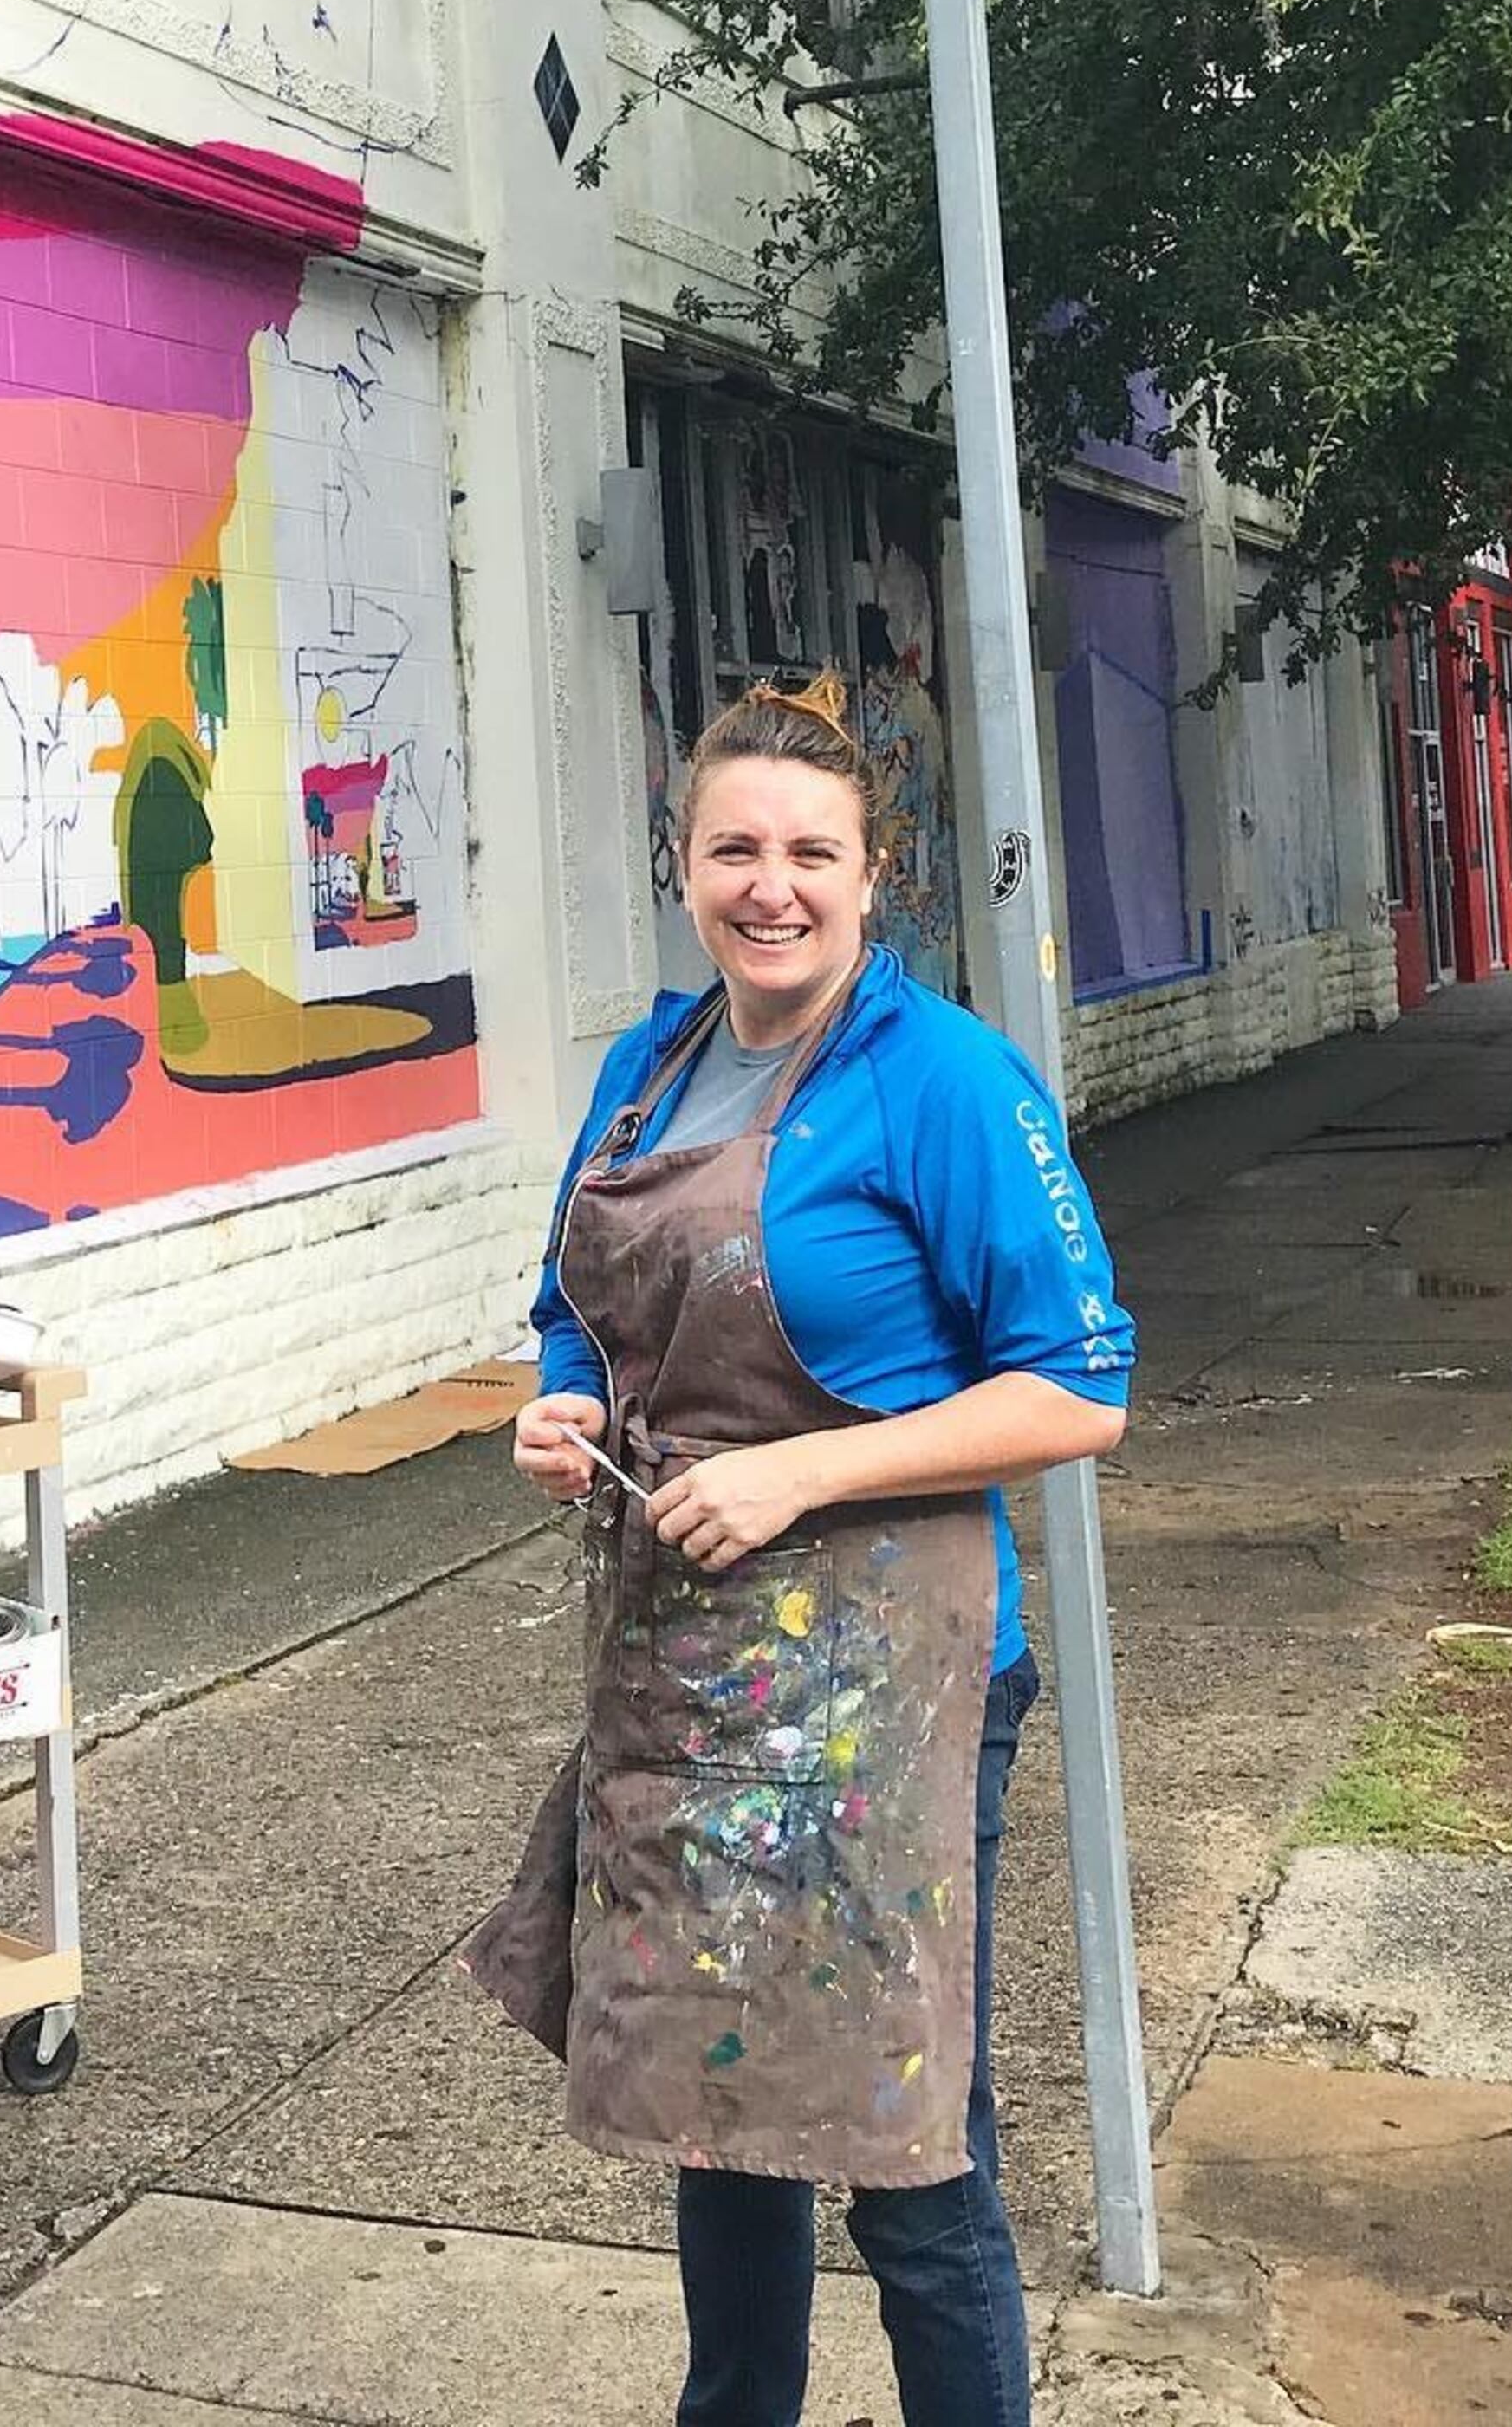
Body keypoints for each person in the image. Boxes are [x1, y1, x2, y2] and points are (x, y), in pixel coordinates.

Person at [464, 673, 1134, 2427]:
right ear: (685, 864)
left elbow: (1078, 1392)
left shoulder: (949, 1085)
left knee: (913, 2148)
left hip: (890, 1692)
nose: (773, 884)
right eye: (735, 847)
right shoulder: (649, 1062)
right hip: (685, 1679)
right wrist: (559, 1414)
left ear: (873, 871)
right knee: (721, 2114)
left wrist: (804, 1473)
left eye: (811, 852)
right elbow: (575, 1311)